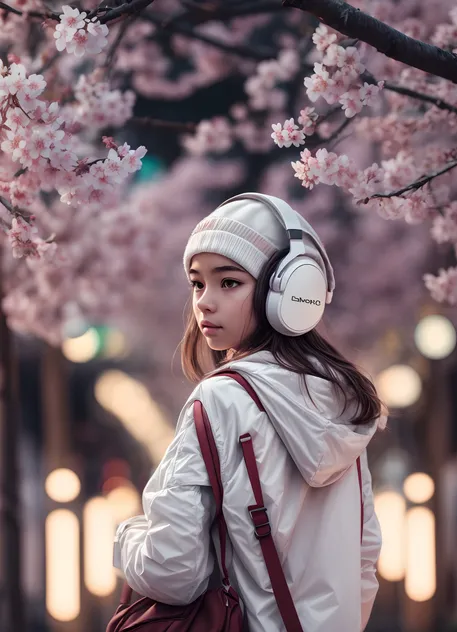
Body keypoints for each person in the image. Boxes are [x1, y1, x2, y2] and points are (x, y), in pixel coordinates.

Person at [113, 192, 386, 631]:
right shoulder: (346, 401)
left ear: (292, 292)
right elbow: (365, 552)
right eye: (197, 283)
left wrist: (125, 538)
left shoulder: (220, 399)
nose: (203, 301)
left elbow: (173, 572)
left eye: (229, 282)